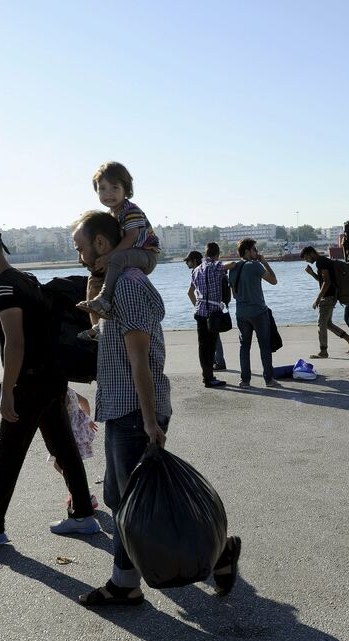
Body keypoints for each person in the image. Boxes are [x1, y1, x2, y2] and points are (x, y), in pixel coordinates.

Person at [71, 211, 240, 606]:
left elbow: (140, 359)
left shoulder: (129, 286)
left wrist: (149, 421)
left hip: (135, 410)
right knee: (121, 497)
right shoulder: (115, 287)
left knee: (134, 501)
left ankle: (128, 582)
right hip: (123, 407)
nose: (78, 256)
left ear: (101, 244)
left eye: (80, 248)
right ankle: (208, 557)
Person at [0, 225, 99, 546]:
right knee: (64, 448)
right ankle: (83, 514)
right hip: (52, 378)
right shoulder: (25, 279)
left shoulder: (4, 286)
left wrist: (6, 391)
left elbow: (14, 343)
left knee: (6, 454)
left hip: (29, 382)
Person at [76, 162, 161, 330]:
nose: (108, 193)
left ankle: (104, 300)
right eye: (102, 189)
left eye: (114, 188)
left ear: (126, 190)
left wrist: (108, 257)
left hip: (146, 254)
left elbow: (131, 237)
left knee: (117, 259)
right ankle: (97, 327)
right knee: (95, 278)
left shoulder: (131, 211)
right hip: (130, 254)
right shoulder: (111, 215)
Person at [227, 239, 280, 388]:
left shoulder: (233, 268)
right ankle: (269, 379)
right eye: (255, 249)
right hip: (258, 312)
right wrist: (264, 262)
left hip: (241, 313)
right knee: (264, 346)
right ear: (247, 251)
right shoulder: (255, 265)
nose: (257, 252)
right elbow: (274, 281)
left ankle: (245, 380)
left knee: (244, 347)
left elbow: (234, 294)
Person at [300, 246, 349, 358]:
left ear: (311, 253)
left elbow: (327, 282)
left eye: (306, 258)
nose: (306, 260)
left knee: (321, 324)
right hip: (332, 296)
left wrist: (318, 299)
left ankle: (323, 351)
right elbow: (322, 280)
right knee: (327, 324)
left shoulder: (320, 262)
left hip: (328, 297)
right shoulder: (324, 261)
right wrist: (312, 273)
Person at [191, 242, 229, 388]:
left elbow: (193, 289)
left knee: (202, 346)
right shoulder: (216, 266)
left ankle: (206, 376)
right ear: (217, 254)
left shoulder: (196, 270)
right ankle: (210, 379)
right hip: (212, 313)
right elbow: (231, 264)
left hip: (199, 311)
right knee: (211, 346)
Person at [185, 251, 226, 370]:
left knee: (206, 339)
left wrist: (197, 306)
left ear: (194, 260)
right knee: (215, 337)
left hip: (203, 310)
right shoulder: (208, 269)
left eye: (188, 261)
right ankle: (218, 361)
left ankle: (214, 362)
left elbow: (190, 292)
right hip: (215, 308)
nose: (187, 263)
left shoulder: (196, 272)